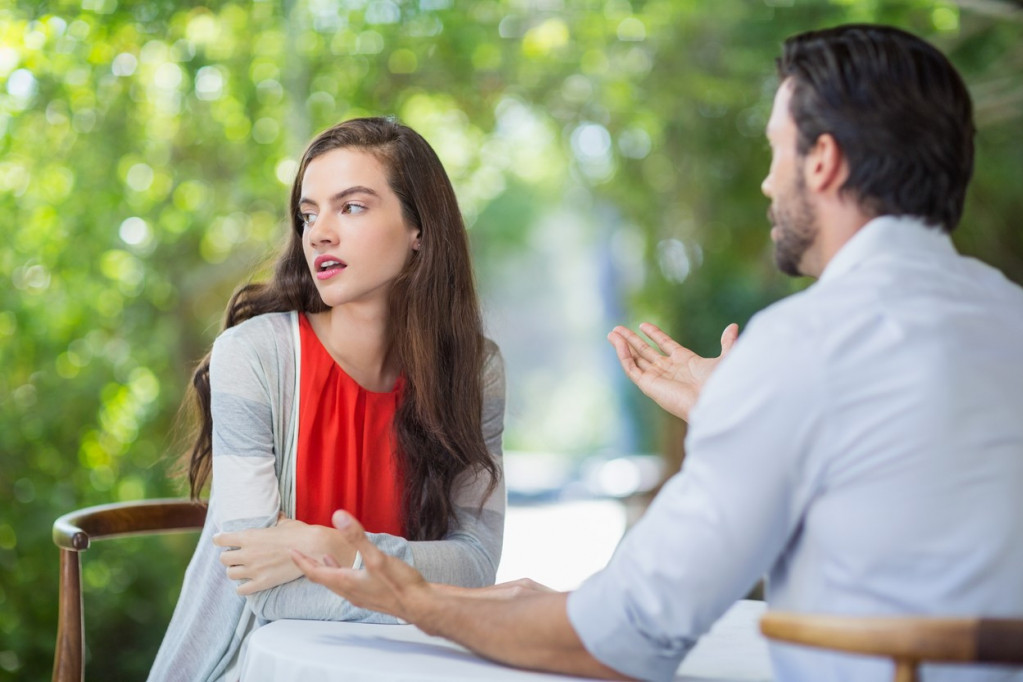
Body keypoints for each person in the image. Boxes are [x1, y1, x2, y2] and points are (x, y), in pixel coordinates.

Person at [293, 24, 1023, 682]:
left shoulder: (800, 347)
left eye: (776, 151)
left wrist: (422, 602)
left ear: (823, 162)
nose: (769, 183)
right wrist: (733, 410)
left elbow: (627, 632)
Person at [148, 117, 507, 681]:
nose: (318, 233)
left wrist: (333, 550)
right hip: (246, 665)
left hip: (401, 667)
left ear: (420, 228)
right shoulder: (252, 356)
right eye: (308, 213)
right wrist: (420, 589)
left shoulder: (473, 371)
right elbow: (266, 594)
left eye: (353, 206)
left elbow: (478, 565)